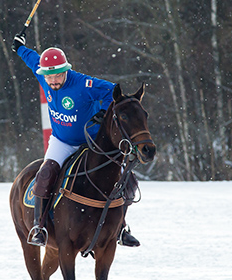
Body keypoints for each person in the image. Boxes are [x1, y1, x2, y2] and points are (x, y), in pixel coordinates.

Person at [13, 34, 139, 248]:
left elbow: (113, 93)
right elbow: (32, 59)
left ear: (65, 70)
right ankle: (39, 227)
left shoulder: (83, 83)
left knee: (128, 179)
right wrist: (19, 47)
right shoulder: (43, 75)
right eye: (49, 77)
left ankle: (121, 228)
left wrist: (101, 112)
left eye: (57, 76)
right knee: (45, 174)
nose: (52, 81)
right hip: (62, 142)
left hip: (91, 143)